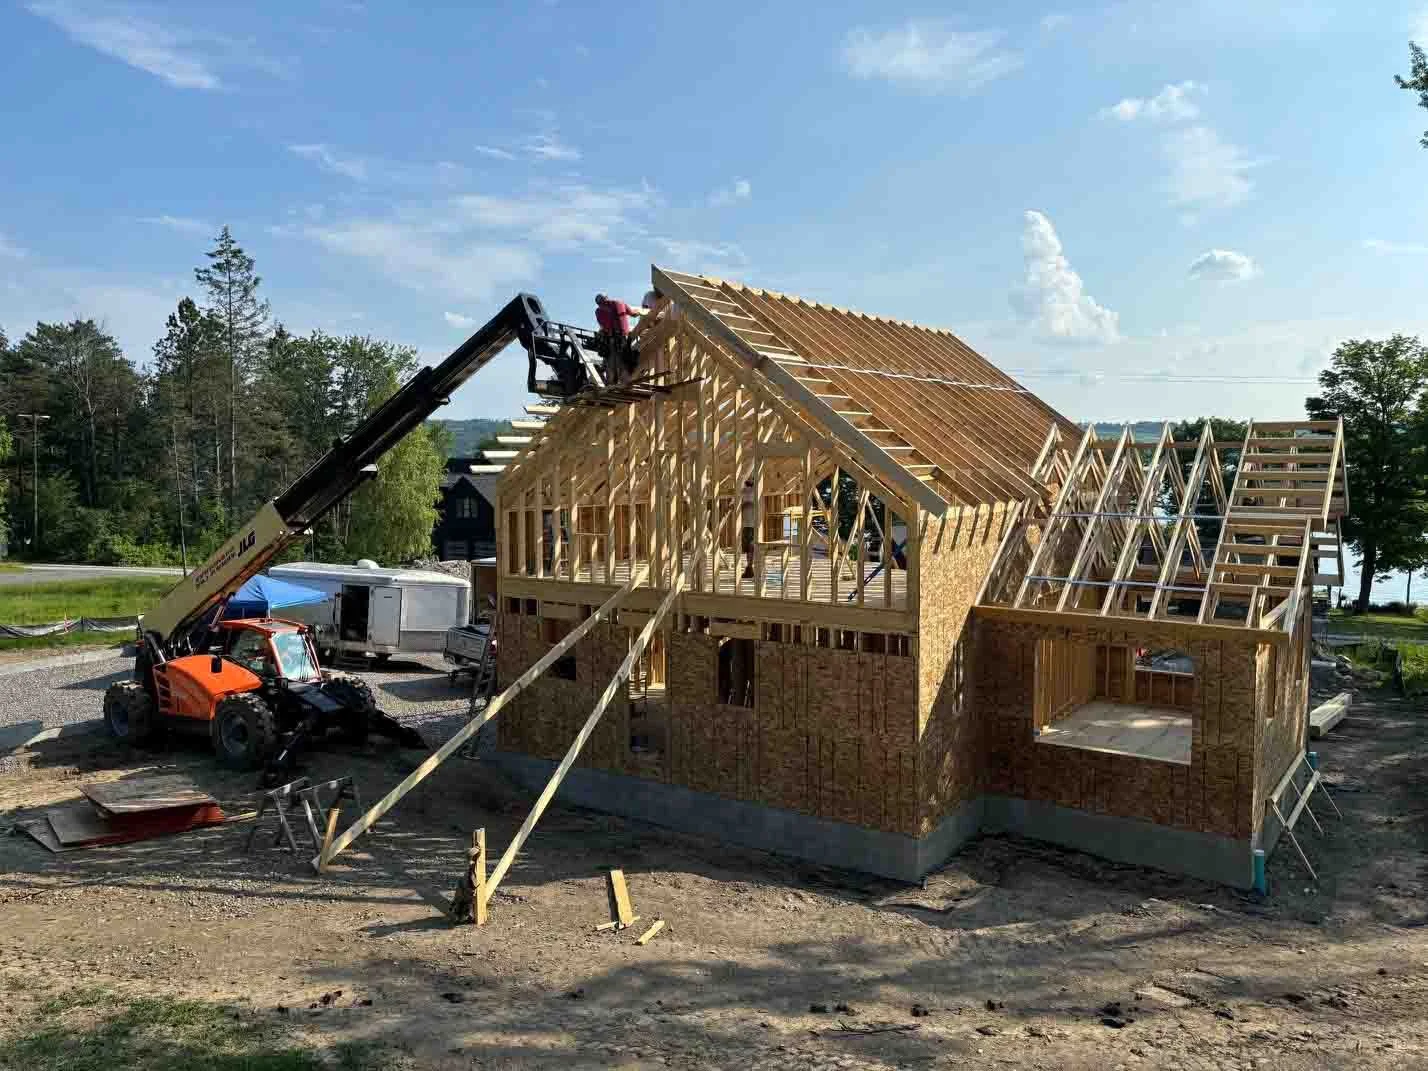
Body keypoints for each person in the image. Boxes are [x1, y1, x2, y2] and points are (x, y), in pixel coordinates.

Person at [594, 293, 648, 385]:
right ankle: (625, 381)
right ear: (607, 298)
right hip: (624, 338)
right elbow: (633, 313)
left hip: (612, 339)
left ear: (598, 303)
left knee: (612, 362)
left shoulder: (599, 311)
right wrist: (645, 311)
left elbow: (604, 327)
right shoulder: (620, 303)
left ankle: (612, 384)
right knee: (624, 360)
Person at [741, 480, 756, 580]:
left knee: (750, 548)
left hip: (750, 525)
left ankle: (750, 568)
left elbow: (749, 504)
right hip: (748, 525)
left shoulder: (750, 492)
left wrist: (742, 504)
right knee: (749, 549)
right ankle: (749, 568)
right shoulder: (745, 492)